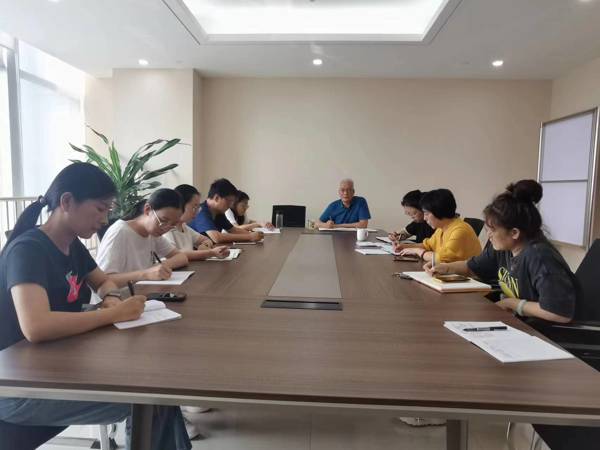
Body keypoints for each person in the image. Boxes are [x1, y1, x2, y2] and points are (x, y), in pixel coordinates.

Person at [0, 163, 191, 450]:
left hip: (57, 365)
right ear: (67, 201)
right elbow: (36, 327)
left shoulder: (72, 246)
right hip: (18, 387)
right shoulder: (28, 250)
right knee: (150, 400)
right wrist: (115, 313)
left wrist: (111, 297)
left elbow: (104, 282)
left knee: (158, 389)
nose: (104, 219)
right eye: (100, 209)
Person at [425, 180, 577, 324]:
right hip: (520, 322)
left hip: (547, 332)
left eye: (492, 230)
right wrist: (445, 268)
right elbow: (471, 267)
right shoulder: (503, 248)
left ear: (514, 233)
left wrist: (511, 303)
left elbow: (559, 313)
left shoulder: (540, 257)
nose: (488, 235)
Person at [95, 189, 189, 286]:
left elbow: (182, 257)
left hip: (144, 291)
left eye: (173, 224)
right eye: (163, 220)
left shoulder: (153, 233)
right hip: (120, 294)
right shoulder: (119, 232)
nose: (166, 228)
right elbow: (103, 281)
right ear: (147, 210)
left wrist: (160, 267)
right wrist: (145, 274)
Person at [394, 189, 481, 263]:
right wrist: (403, 246)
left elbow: (441, 259)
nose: (424, 218)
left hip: (465, 277)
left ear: (438, 211)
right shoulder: (442, 228)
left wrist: (418, 251)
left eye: (426, 214)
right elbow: (427, 245)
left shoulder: (460, 230)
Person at [189, 178, 263, 244]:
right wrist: (249, 237)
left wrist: (256, 235)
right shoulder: (202, 211)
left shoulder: (219, 212)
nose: (230, 205)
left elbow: (233, 230)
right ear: (216, 198)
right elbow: (217, 238)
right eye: (229, 201)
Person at [166, 184, 230, 260]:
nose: (197, 212)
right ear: (180, 205)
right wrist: (211, 252)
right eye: (194, 207)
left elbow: (206, 239)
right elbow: (175, 254)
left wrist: (205, 245)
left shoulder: (184, 227)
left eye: (198, 208)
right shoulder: (166, 229)